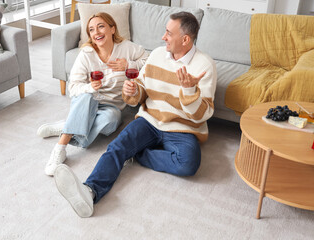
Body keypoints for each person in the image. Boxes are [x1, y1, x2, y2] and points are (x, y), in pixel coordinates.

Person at [54, 11, 217, 218]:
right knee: (117, 147)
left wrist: (190, 92)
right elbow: (141, 89)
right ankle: (90, 191)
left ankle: (139, 154)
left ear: (185, 39)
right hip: (150, 120)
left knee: (189, 163)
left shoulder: (204, 65)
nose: (163, 37)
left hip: (183, 128)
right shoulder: (158, 55)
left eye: (168, 33)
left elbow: (203, 114)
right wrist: (132, 92)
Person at [37, 12, 148, 176]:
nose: (96, 32)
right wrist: (90, 87)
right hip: (88, 100)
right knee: (88, 95)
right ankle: (61, 147)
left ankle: (68, 125)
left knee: (111, 121)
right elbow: (73, 88)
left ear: (112, 29)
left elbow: (149, 61)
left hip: (112, 106)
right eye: (91, 29)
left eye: (101, 26)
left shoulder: (126, 48)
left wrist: (128, 64)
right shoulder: (86, 54)